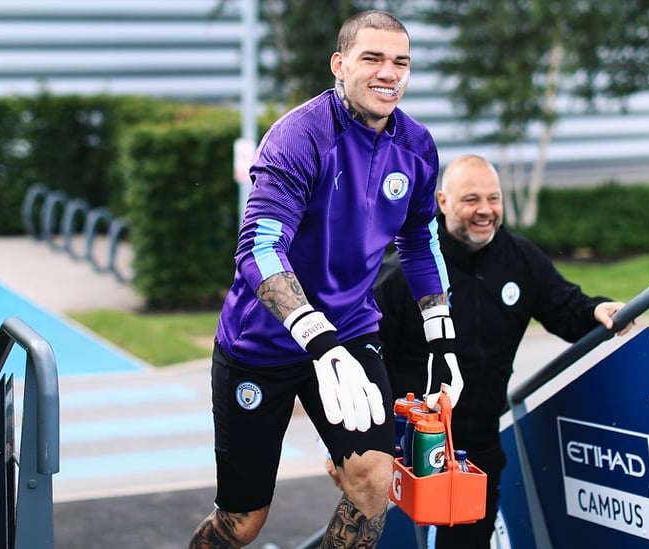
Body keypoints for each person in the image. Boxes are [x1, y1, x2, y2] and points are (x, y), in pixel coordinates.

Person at [189, 11, 463, 548]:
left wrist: (441, 332)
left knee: (373, 484)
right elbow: (259, 248)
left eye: (401, 62)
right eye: (373, 58)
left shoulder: (417, 145)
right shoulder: (298, 137)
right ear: (340, 64)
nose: (389, 73)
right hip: (262, 344)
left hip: (351, 333)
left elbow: (420, 240)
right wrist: (316, 339)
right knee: (242, 524)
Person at [374, 154, 635, 548]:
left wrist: (597, 309)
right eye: (471, 200)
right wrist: (347, 444)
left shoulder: (521, 258)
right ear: (442, 202)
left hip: (477, 448)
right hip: (408, 446)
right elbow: (365, 354)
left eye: (493, 199)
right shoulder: (408, 268)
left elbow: (564, 307)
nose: (485, 211)